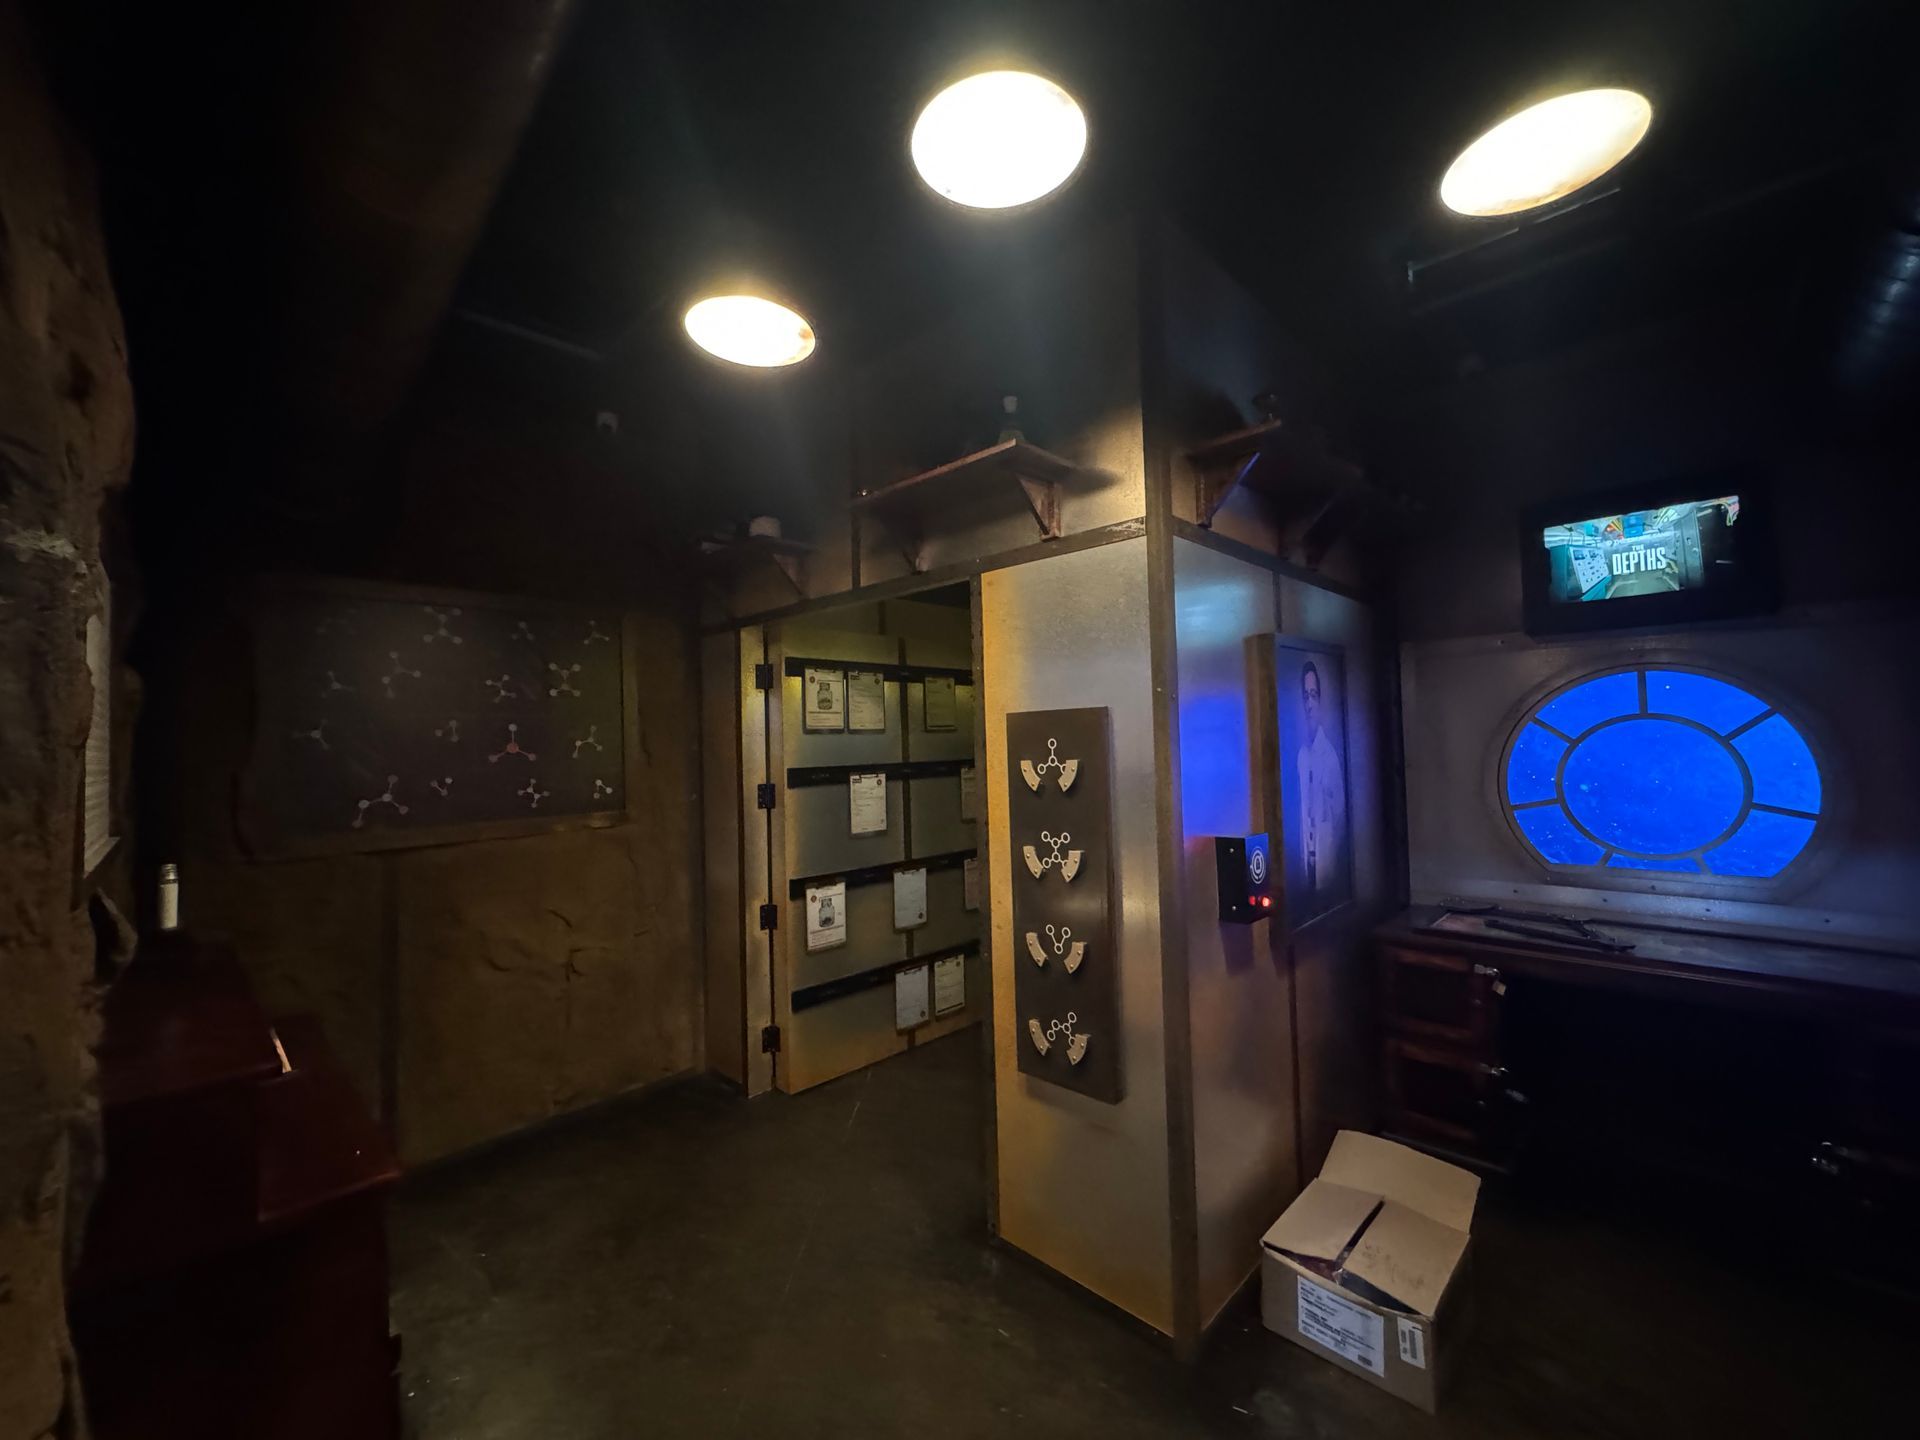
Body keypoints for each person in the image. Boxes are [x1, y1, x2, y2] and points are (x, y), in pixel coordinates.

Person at [1296, 660, 1344, 896]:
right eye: (1305, 696)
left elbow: (1340, 814)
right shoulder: (1301, 755)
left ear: (1321, 701)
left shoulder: (1330, 756)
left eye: (1313, 695)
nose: (1309, 704)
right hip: (1306, 866)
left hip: (1327, 865)